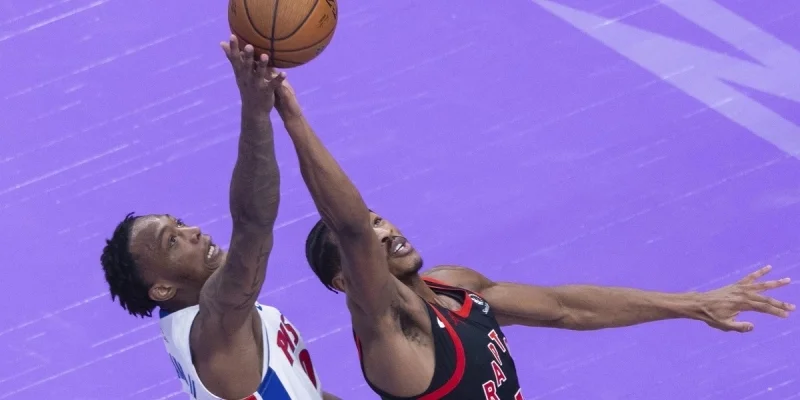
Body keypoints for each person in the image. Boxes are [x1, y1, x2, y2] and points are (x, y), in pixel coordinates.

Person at [272, 81, 795, 400]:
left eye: (381, 219)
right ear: (345, 280)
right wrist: (291, 115)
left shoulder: (456, 288)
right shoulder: (387, 326)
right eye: (368, 234)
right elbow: (350, 229)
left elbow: (567, 309)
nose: (385, 232)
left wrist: (694, 305)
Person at [100, 36, 338, 400]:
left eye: (179, 223)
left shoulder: (188, 316)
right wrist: (256, 111)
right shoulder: (218, 326)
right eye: (172, 241)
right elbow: (253, 225)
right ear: (162, 289)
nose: (193, 231)